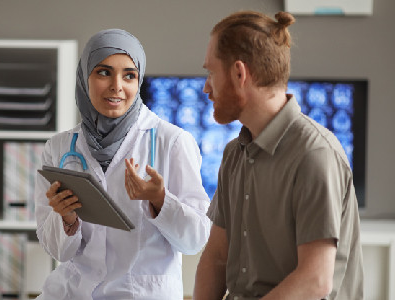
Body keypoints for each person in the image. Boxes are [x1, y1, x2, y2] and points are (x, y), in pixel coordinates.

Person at [194, 11, 363, 299]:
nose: (206, 87)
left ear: (239, 74)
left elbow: (314, 280)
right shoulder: (234, 154)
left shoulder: (315, 154)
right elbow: (217, 255)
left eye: (211, 73)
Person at [34, 28, 211, 299]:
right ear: (85, 77)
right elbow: (58, 252)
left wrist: (161, 201)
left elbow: (195, 240)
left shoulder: (172, 141)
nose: (117, 86)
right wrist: (67, 219)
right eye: (104, 72)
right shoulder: (59, 147)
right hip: (71, 292)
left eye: (129, 75)